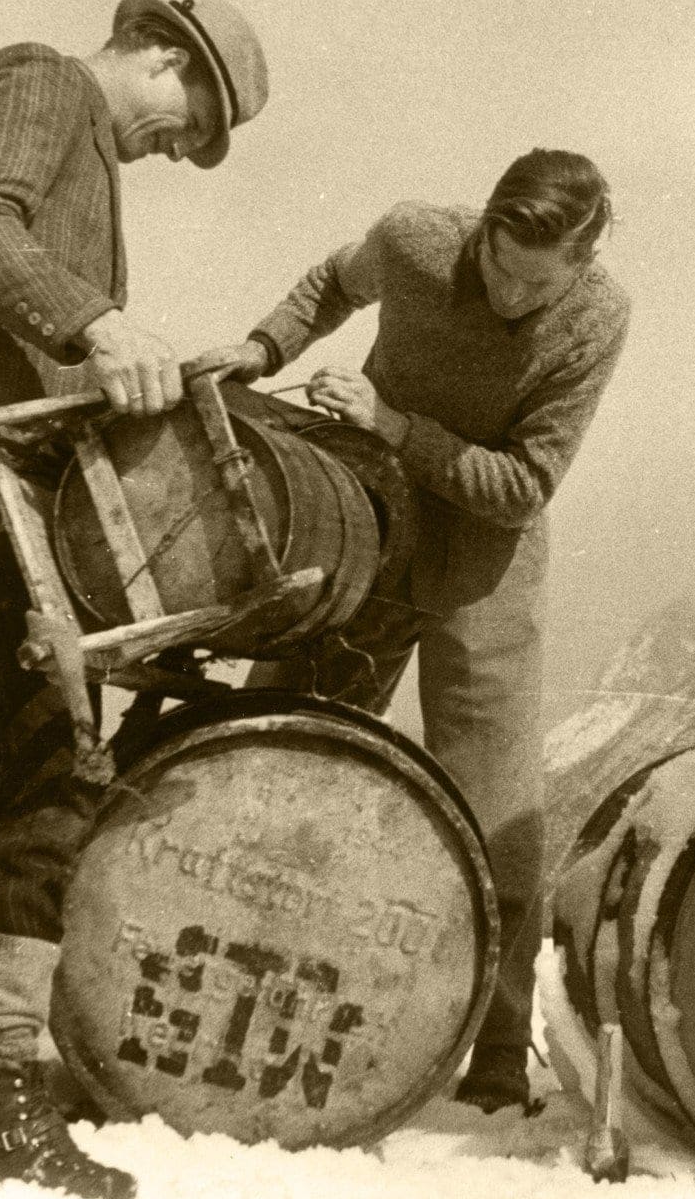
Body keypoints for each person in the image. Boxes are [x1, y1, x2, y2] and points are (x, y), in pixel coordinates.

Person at [0, 0, 269, 1199]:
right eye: (187, 118)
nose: (180, 147)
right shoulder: (44, 83)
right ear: (159, 52)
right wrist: (94, 321)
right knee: (54, 763)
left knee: (20, 760)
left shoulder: (75, 133)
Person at [213, 149, 629, 1114]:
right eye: (497, 265)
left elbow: (526, 484)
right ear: (480, 227)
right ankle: (238, 979)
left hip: (487, 556)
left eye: (539, 282)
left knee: (496, 810)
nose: (512, 294)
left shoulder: (601, 316)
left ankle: (493, 1040)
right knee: (285, 739)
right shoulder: (413, 239)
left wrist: (397, 423)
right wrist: (264, 348)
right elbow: (332, 278)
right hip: (363, 520)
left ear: (582, 263)